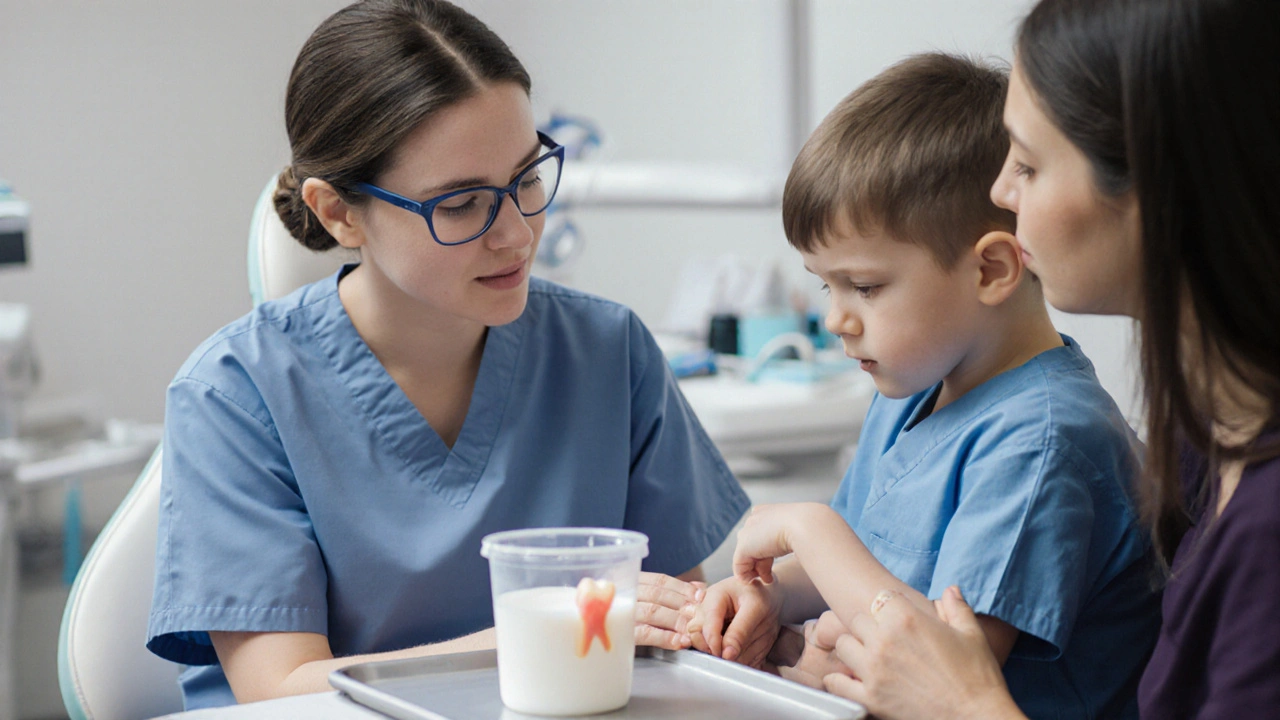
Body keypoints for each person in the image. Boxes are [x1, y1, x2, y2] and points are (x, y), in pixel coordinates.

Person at [145, 0, 749, 709]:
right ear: (339, 212)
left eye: (527, 179)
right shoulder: (237, 393)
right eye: (461, 204)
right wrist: (537, 631)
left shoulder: (607, 354)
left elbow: (675, 633)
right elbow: (280, 691)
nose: (518, 234)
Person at [814, 0, 1280, 718]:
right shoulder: (1202, 439)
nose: (1000, 192)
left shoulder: (1263, 529)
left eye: (1027, 164)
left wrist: (965, 706)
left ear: (1161, 192)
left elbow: (940, 657)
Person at [687, 53, 1160, 718]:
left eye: (867, 287)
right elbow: (866, 561)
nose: (834, 320)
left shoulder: (1043, 442)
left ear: (992, 269)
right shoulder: (912, 389)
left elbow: (942, 667)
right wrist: (771, 596)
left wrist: (811, 529)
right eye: (827, 285)